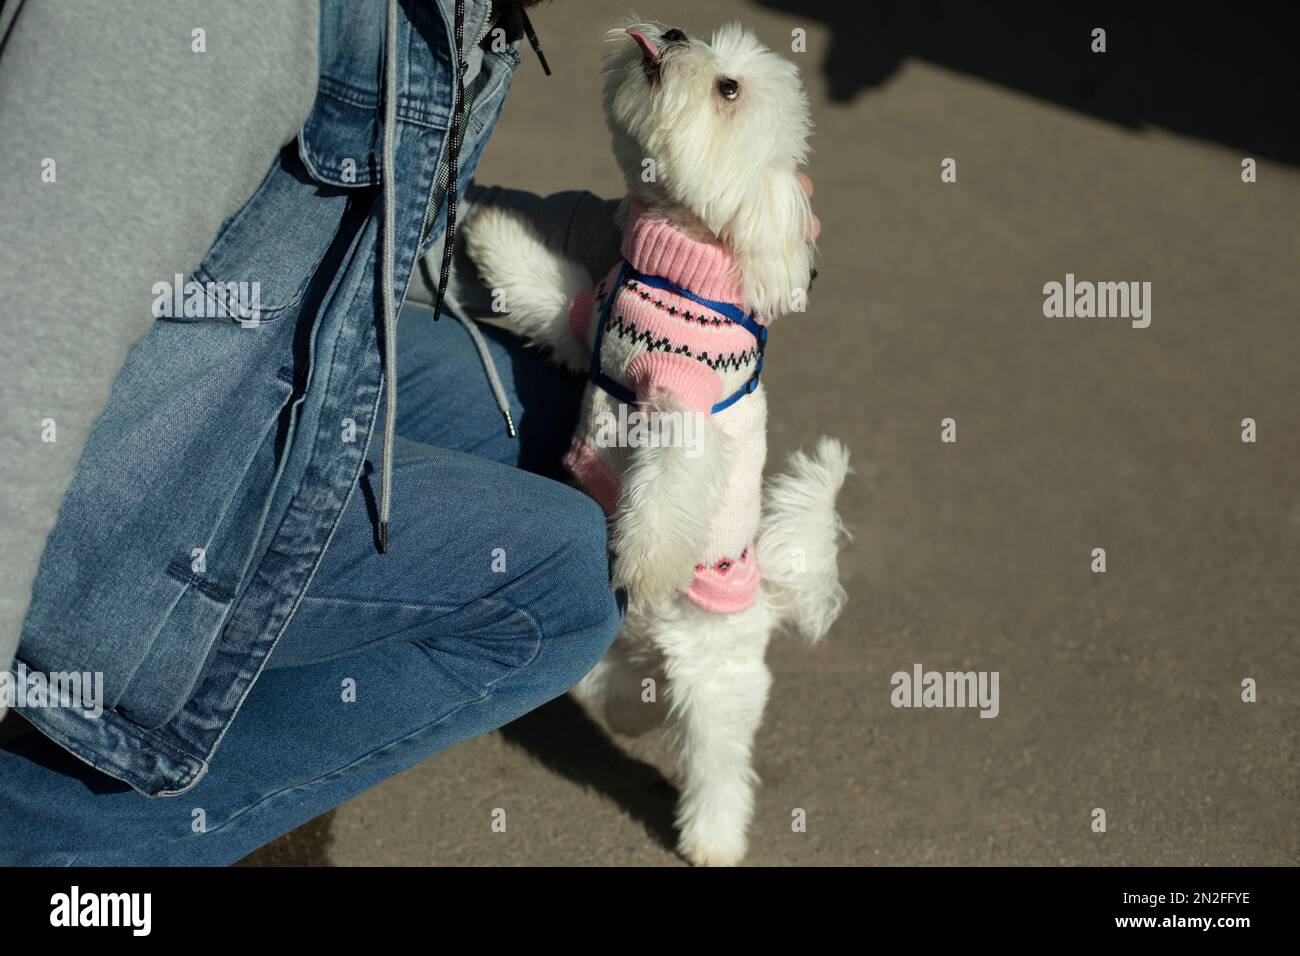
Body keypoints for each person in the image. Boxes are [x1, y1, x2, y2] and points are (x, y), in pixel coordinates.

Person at [0, 0, 628, 864]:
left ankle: (151, 721)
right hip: (95, 466)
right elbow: (31, 326)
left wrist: (657, 246)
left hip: (198, 347)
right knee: (563, 577)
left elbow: (394, 219)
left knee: (569, 422)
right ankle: (54, 844)